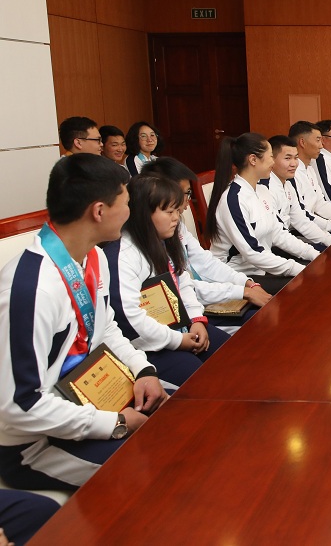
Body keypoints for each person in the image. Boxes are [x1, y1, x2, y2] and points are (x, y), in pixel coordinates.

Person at [0, 155, 166, 490]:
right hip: (34, 443)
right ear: (99, 211)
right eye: (126, 202)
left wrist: (142, 370)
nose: (130, 211)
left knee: (177, 423)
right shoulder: (32, 289)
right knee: (155, 469)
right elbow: (19, 404)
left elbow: (105, 328)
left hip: (88, 401)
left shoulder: (94, 257)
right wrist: (113, 422)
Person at [106, 175, 230, 388]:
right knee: (198, 375)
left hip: (180, 327)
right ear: (144, 214)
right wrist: (178, 341)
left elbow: (183, 283)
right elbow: (131, 319)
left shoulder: (164, 242)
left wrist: (196, 320)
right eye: (169, 212)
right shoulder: (123, 255)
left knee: (228, 351)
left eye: (177, 211)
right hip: (147, 344)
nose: (176, 218)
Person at [139, 157, 272, 328]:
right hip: (186, 312)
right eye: (185, 193)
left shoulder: (177, 226)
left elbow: (206, 262)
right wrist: (242, 291)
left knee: (262, 313)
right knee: (258, 321)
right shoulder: (147, 241)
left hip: (204, 297)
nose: (187, 201)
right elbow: (181, 287)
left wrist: (246, 283)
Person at [207, 133, 319, 294]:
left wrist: (314, 254)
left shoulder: (262, 190)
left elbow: (278, 233)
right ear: (253, 160)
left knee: (313, 270)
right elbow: (252, 252)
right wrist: (297, 268)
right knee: (304, 283)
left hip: (259, 269)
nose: (273, 162)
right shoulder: (233, 199)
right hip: (236, 276)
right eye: (271, 156)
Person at [260, 136, 331, 249]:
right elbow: (278, 235)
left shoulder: (288, 185)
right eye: (287, 158)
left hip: (286, 238)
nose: (294, 164)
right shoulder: (265, 188)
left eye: (296, 158)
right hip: (271, 246)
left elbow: (301, 220)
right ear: (272, 160)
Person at [289, 121, 331, 230]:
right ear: (302, 142)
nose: (321, 145)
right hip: (299, 230)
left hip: (314, 225)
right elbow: (303, 216)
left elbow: (320, 203)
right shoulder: (292, 173)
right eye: (318, 140)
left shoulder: (309, 169)